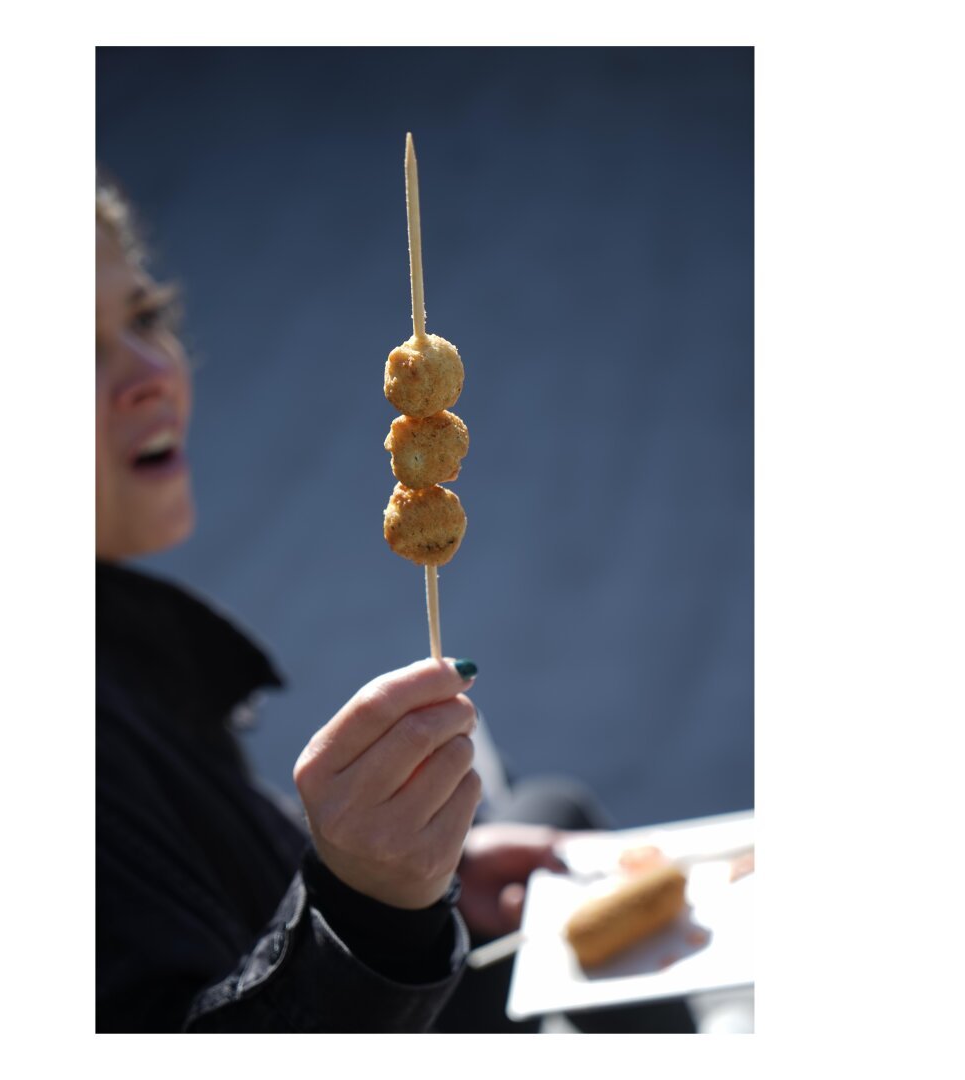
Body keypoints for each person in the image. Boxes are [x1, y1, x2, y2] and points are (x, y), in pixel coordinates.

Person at [95, 178, 694, 1033]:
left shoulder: (120, 638)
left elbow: (225, 882)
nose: (153, 373)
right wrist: (370, 912)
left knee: (551, 829)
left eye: (145, 317)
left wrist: (435, 888)